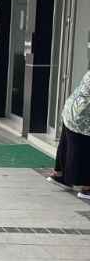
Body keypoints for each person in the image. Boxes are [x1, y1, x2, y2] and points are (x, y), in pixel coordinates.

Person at [49, 69, 90, 199]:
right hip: (83, 117)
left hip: (72, 110)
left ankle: (59, 174)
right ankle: (86, 188)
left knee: (66, 145)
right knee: (83, 150)